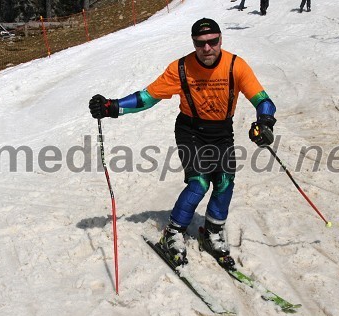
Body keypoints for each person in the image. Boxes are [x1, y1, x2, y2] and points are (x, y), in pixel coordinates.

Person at [89, 18, 276, 268]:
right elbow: (148, 97)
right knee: (199, 182)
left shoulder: (235, 66)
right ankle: (173, 233)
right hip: (191, 131)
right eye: (200, 43)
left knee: (224, 180)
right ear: (194, 43)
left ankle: (212, 231)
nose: (207, 48)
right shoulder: (181, 69)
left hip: (221, 132)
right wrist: (113, 107)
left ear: (221, 40)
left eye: (213, 42)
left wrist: (264, 122)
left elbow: (263, 100)